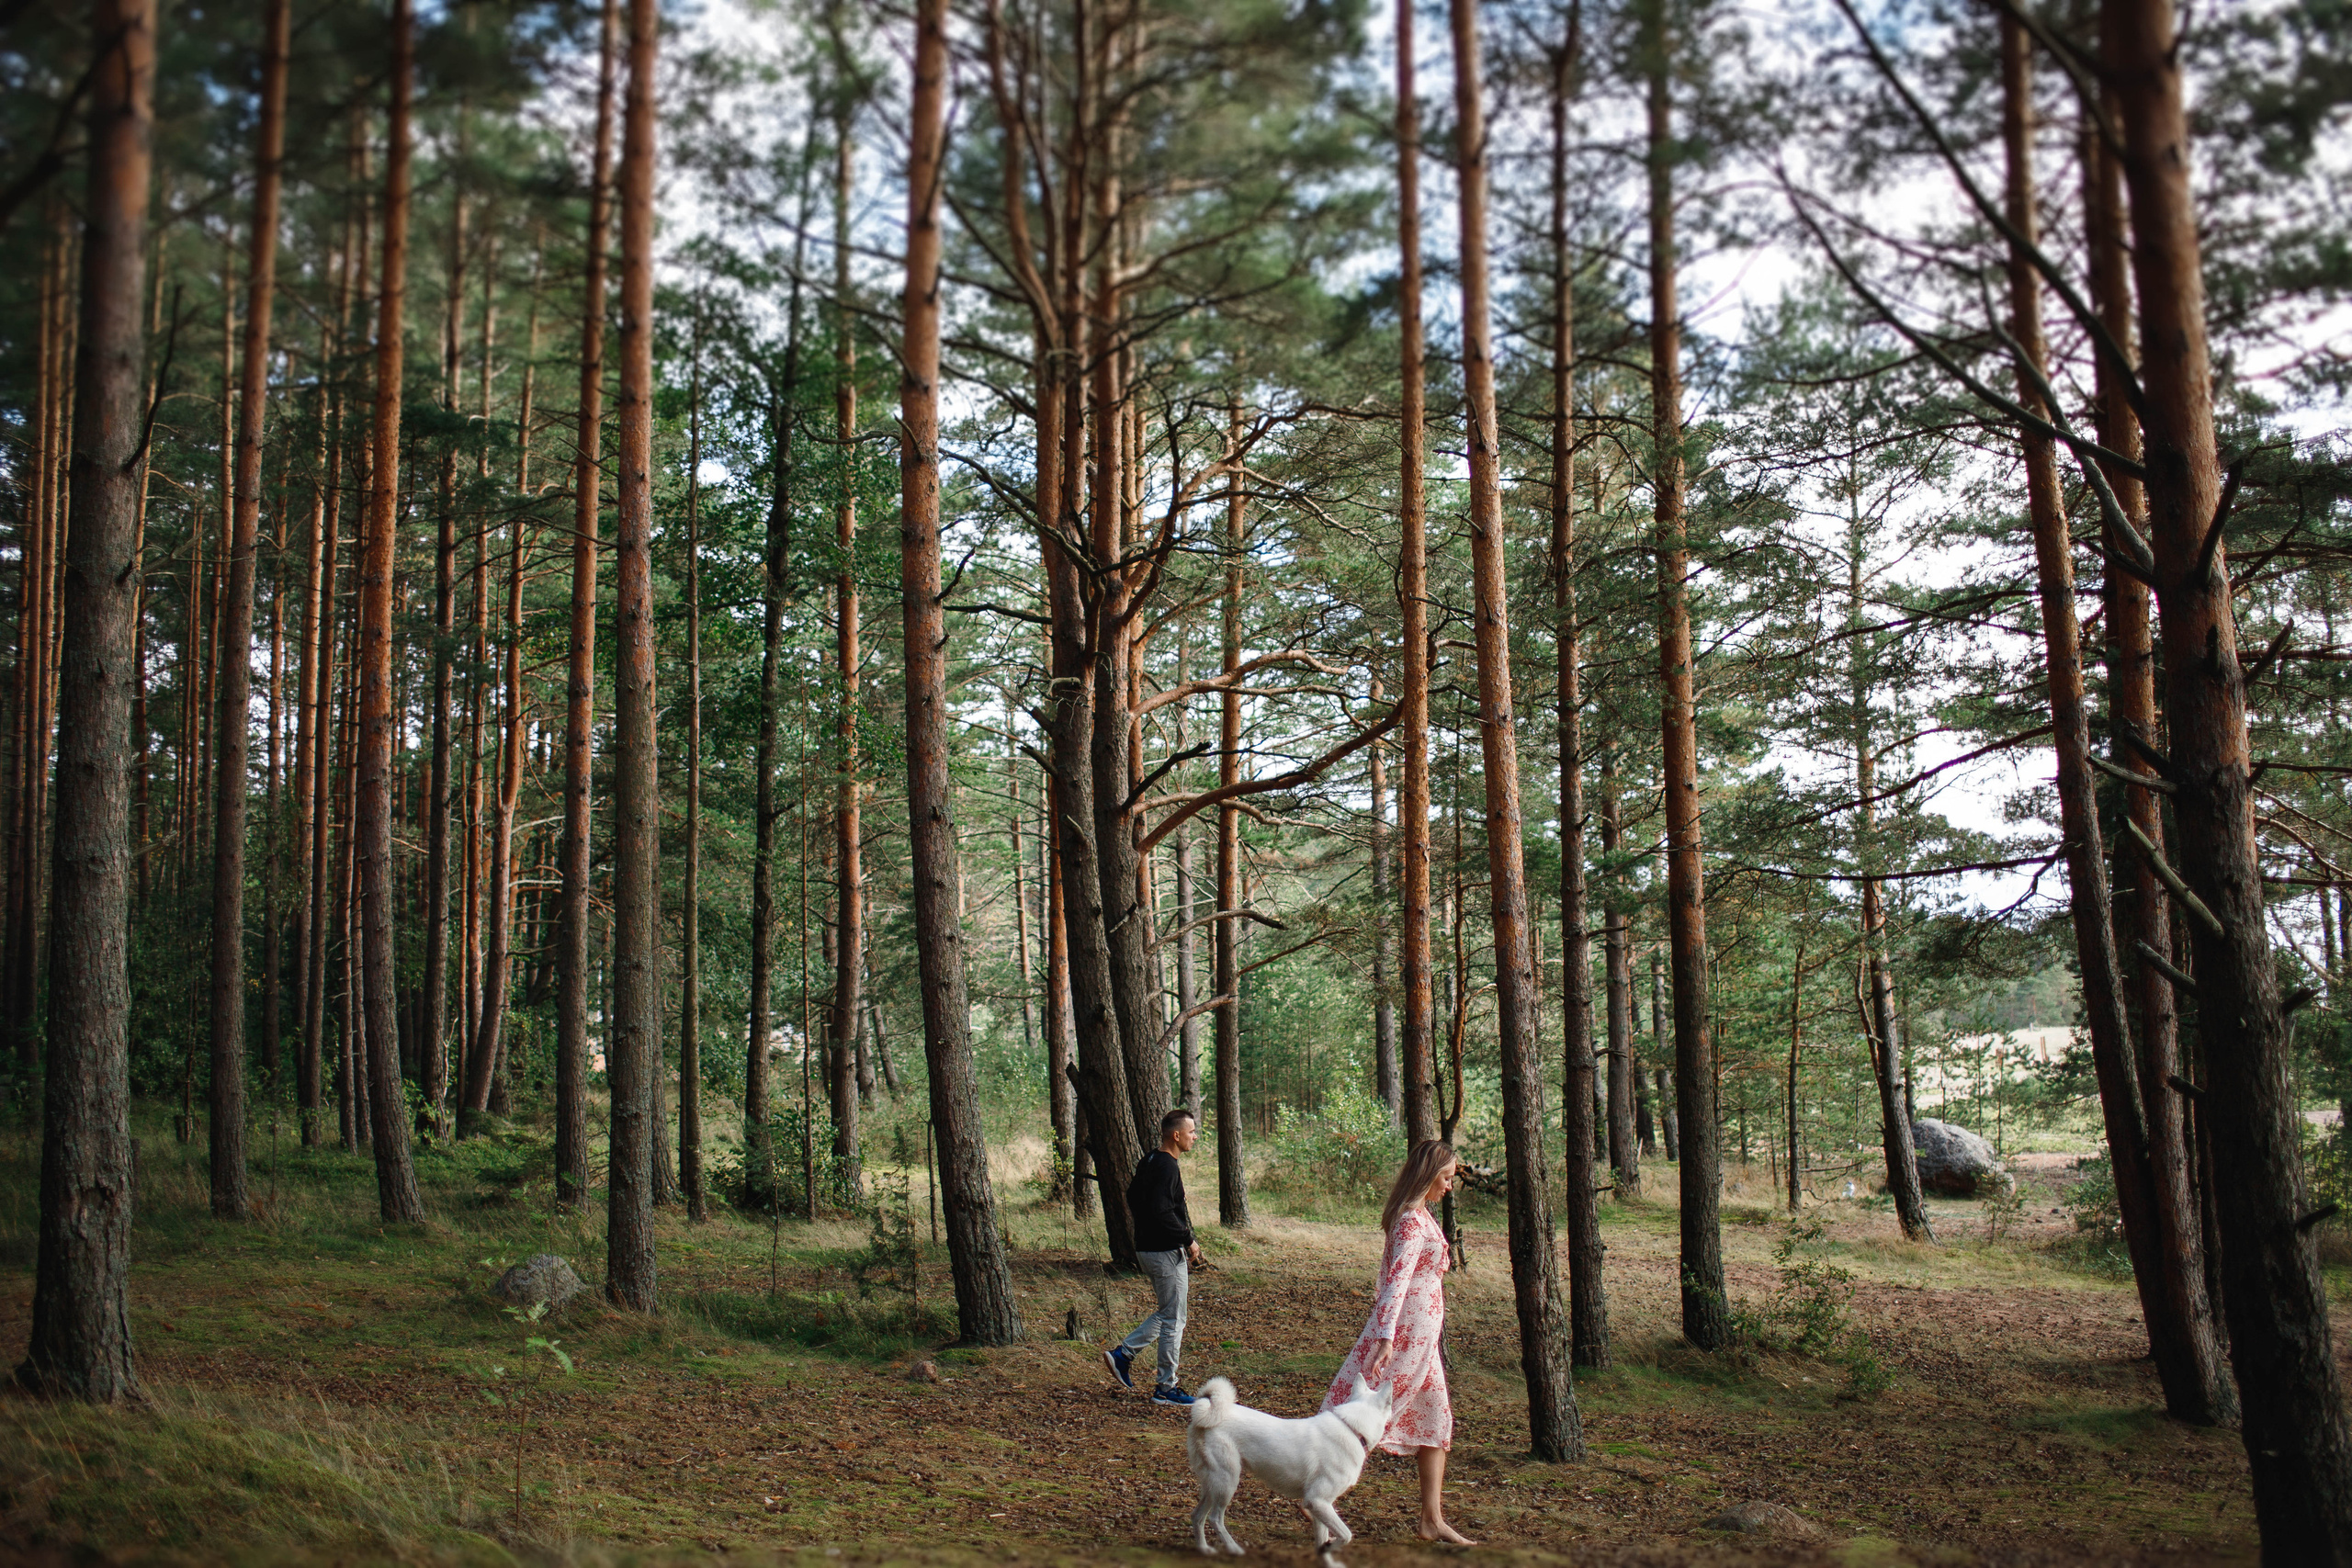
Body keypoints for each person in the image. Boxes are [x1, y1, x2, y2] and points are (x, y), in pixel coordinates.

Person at [1320, 1138, 1476, 1546]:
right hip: (1405, 1334)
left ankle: (1431, 1520)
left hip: (1423, 1337)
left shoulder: (1422, 1214)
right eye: (1446, 1178)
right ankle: (1317, 1493)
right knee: (1367, 1414)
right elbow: (1396, 1281)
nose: (1449, 1186)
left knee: (1436, 1417)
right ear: (1428, 1175)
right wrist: (1386, 1336)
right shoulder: (1410, 1220)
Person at [1104, 1107, 1203, 1406]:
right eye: (1191, 1132)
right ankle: (1166, 1388)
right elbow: (1162, 1211)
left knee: (1169, 1313)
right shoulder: (1167, 1166)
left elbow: (1133, 1196)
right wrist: (1188, 1239)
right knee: (1174, 1318)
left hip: (1146, 1249)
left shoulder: (1149, 1160)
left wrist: (1147, 1226)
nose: (1195, 1137)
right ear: (1176, 1135)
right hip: (1164, 1251)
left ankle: (1123, 1355)